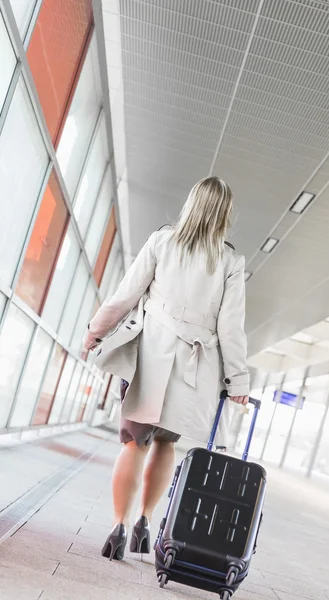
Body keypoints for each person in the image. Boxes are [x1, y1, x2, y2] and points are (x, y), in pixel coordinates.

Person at [83, 176, 249, 561]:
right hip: (192, 373)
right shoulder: (230, 261)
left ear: (191, 203)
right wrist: (237, 379)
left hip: (150, 359)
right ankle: (145, 520)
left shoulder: (162, 241)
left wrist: (95, 331)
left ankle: (118, 526)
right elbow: (230, 327)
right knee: (165, 443)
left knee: (133, 442)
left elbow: (127, 295)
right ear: (225, 214)